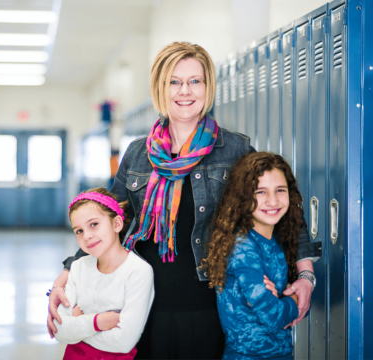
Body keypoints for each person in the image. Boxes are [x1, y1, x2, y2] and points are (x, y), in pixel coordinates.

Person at [48, 42, 320, 359]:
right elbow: (105, 222)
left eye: (195, 81)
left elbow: (284, 214)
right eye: (174, 81)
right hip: (141, 301)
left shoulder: (233, 149)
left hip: (207, 303)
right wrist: (66, 276)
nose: (185, 91)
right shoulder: (137, 153)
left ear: (208, 87)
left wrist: (305, 276)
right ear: (160, 88)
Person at [205, 152, 312, 360]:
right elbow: (273, 315)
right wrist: (291, 296)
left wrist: (285, 300)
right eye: (260, 192)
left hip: (281, 354)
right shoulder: (242, 247)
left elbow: (299, 310)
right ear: (243, 196)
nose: (272, 201)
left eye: (280, 190)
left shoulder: (278, 239)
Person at [53, 187, 154, 360]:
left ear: (116, 224)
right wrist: (98, 322)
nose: (87, 236)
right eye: (79, 231)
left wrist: (77, 326)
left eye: (94, 224)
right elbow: (59, 330)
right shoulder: (78, 267)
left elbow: (124, 342)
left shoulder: (138, 271)